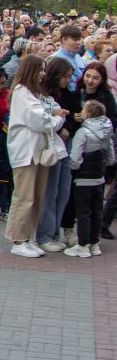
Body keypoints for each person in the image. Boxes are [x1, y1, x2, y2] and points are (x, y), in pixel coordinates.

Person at [5, 55, 67, 258]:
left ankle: (28, 237)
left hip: (39, 152)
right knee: (24, 197)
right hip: (25, 152)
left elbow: (48, 109)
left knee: (37, 197)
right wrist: (58, 120)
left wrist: (55, 114)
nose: (43, 73)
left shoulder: (36, 93)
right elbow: (40, 120)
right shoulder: (22, 92)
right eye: (40, 69)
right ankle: (18, 239)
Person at [36, 57, 80, 251]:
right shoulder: (43, 94)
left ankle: (54, 233)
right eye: (66, 77)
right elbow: (46, 118)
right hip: (50, 146)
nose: (68, 81)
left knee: (63, 192)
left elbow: (74, 116)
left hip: (65, 145)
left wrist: (68, 125)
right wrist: (60, 120)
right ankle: (44, 235)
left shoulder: (69, 94)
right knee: (49, 192)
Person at [65, 100, 114, 257]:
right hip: (99, 178)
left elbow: (75, 158)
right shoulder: (107, 131)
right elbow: (111, 157)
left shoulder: (83, 132)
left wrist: (74, 168)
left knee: (83, 212)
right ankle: (94, 244)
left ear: (87, 114)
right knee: (97, 212)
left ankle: (82, 245)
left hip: (83, 180)